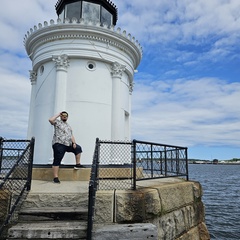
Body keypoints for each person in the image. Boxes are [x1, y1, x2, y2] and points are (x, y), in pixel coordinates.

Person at [49, 111, 83, 183]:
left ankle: (77, 164)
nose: (65, 117)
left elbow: (71, 135)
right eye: (63, 116)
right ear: (61, 116)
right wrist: (58, 114)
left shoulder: (68, 126)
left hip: (68, 144)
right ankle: (55, 177)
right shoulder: (57, 122)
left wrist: (74, 143)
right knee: (57, 159)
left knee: (78, 148)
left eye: (66, 116)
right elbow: (50, 120)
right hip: (59, 143)